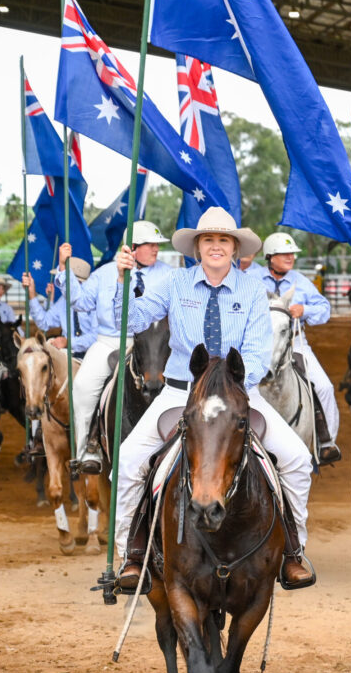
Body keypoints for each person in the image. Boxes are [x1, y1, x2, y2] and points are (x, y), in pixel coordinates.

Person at [112, 207, 314, 590]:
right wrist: (122, 282)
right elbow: (133, 321)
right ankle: (131, 554)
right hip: (179, 393)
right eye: (209, 240)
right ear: (197, 247)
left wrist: (226, 395)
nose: (216, 246)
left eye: (224, 240)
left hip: (240, 396)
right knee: (126, 464)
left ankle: (293, 551)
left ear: (235, 248)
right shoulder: (175, 282)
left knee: (297, 460)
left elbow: (255, 353)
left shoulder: (253, 289)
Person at [55, 221, 173, 474]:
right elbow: (80, 302)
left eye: (157, 245)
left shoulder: (170, 274)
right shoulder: (104, 274)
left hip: (157, 346)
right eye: (150, 245)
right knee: (83, 388)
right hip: (110, 341)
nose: (156, 250)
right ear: (131, 248)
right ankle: (89, 449)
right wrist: (64, 269)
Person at [245, 232, 341, 463]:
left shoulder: (301, 281)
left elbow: (324, 309)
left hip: (295, 342)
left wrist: (304, 310)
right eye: (284, 254)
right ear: (270, 256)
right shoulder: (250, 276)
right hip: (255, 342)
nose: (291, 257)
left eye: (292, 254)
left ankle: (325, 442)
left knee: (325, 387)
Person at [23, 258, 97, 359]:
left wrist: (68, 342)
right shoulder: (63, 301)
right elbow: (44, 322)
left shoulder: (94, 300)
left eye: (62, 279)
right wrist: (32, 294)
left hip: (92, 355)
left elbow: (96, 336)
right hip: (67, 355)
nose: (59, 282)